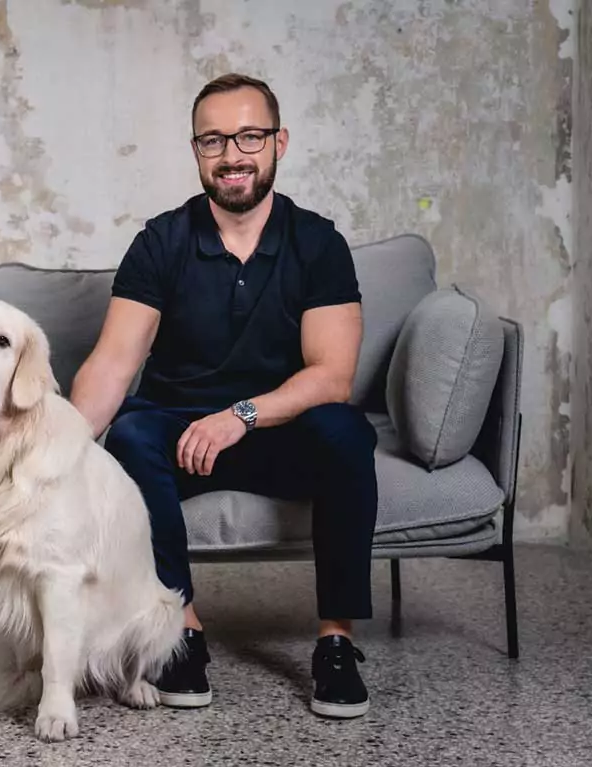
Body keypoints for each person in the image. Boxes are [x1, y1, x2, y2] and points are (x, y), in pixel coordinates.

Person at [69, 73, 378, 719]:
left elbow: (331, 376)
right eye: (213, 139)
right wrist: (60, 448)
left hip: (275, 427)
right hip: (178, 433)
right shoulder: (161, 240)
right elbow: (112, 364)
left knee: (346, 430)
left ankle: (337, 642)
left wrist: (241, 415)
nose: (231, 153)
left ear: (278, 142)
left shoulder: (318, 242)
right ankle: (181, 631)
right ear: (196, 150)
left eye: (248, 135)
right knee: (128, 435)